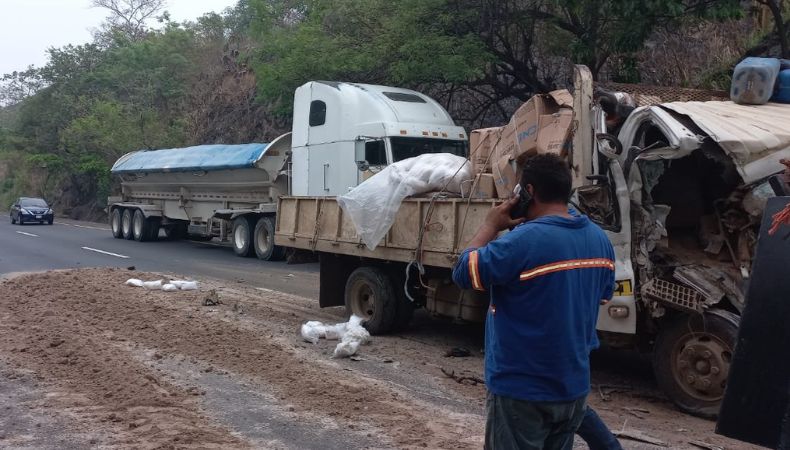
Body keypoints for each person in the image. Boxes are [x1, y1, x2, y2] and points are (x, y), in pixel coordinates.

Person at [452, 154, 615, 450]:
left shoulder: (521, 242)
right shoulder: (599, 240)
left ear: (529, 191)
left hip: (522, 391)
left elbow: (464, 271)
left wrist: (490, 225)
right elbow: (602, 297)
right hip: (572, 389)